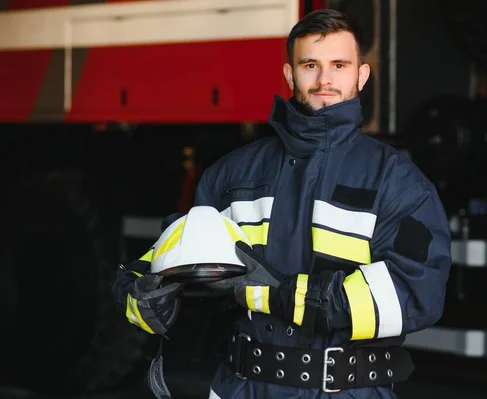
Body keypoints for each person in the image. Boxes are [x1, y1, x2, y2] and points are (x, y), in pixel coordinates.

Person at [111, 8, 452, 399]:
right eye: (311, 65)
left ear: (361, 75)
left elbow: (416, 293)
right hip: (241, 388)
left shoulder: (396, 182)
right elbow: (161, 266)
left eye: (339, 65)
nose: (325, 80)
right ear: (290, 75)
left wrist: (281, 293)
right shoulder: (230, 176)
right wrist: (147, 298)